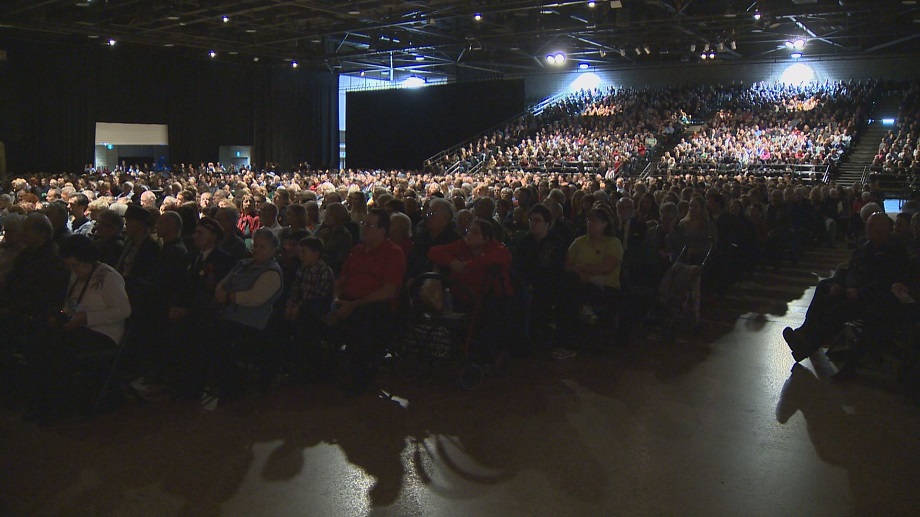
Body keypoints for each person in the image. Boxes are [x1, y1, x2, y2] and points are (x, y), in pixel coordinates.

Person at [24, 234, 131, 423]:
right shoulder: (77, 274)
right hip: (79, 327)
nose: (74, 270)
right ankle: (41, 403)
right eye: (71, 266)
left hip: (104, 333)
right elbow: (72, 302)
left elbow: (124, 310)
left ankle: (59, 406)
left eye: (76, 265)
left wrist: (86, 318)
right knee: (39, 341)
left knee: (56, 349)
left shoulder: (108, 277)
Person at [783, 213, 910, 362]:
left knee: (833, 309)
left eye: (871, 225)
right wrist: (839, 283)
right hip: (851, 288)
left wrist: (858, 292)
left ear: (882, 229)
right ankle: (805, 332)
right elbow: (850, 268)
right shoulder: (866, 246)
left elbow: (885, 281)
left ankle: (808, 344)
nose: (867, 228)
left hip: (870, 297)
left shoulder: (893, 252)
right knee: (824, 289)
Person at [325, 208, 406, 393]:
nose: (364, 228)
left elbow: (388, 291)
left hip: (373, 306)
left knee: (364, 322)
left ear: (382, 230)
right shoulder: (357, 250)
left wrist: (353, 306)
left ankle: (359, 377)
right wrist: (337, 299)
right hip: (348, 300)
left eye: (369, 225)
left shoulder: (393, 253)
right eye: (363, 224)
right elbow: (342, 279)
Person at [211, 228, 284, 399]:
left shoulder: (271, 272)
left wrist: (230, 297)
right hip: (227, 313)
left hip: (250, 322)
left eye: (262, 247)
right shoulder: (243, 264)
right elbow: (223, 282)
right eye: (255, 245)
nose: (257, 249)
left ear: (273, 250)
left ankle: (232, 384)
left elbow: (255, 298)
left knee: (216, 336)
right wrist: (220, 292)